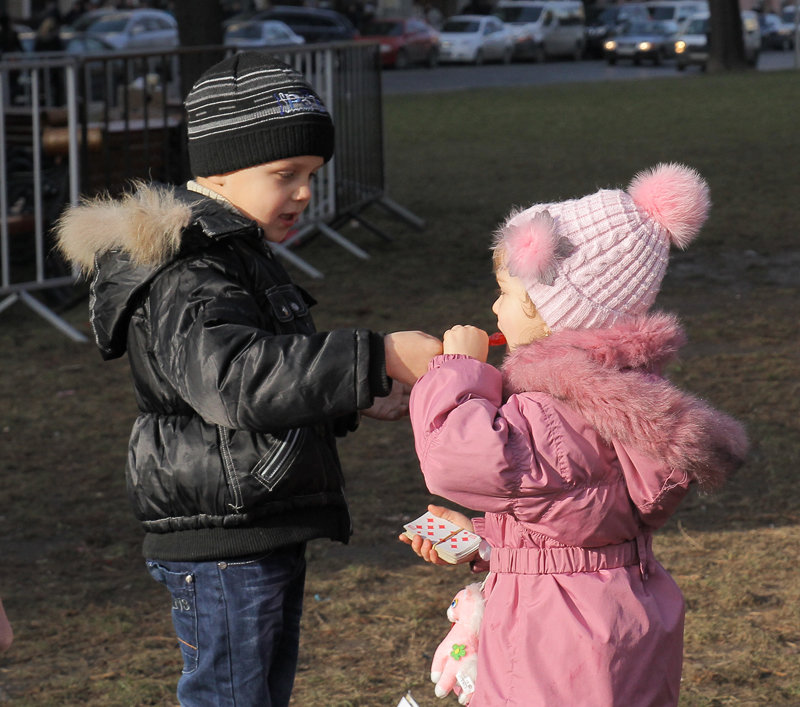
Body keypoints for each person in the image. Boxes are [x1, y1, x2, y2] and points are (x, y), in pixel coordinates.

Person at [56, 53, 441, 707]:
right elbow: (234, 381)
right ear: (220, 167)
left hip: (254, 520)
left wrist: (355, 395)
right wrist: (373, 357)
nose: (303, 193)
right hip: (225, 538)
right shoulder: (192, 268)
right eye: (285, 174)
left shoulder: (234, 253)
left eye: (311, 176)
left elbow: (267, 375)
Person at [400, 163, 748, 706]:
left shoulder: (550, 414)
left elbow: (454, 458)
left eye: (507, 294)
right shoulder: (617, 403)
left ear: (555, 313)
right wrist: (483, 541)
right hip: (607, 625)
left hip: (553, 643)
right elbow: (576, 532)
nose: (495, 308)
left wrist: (454, 372)